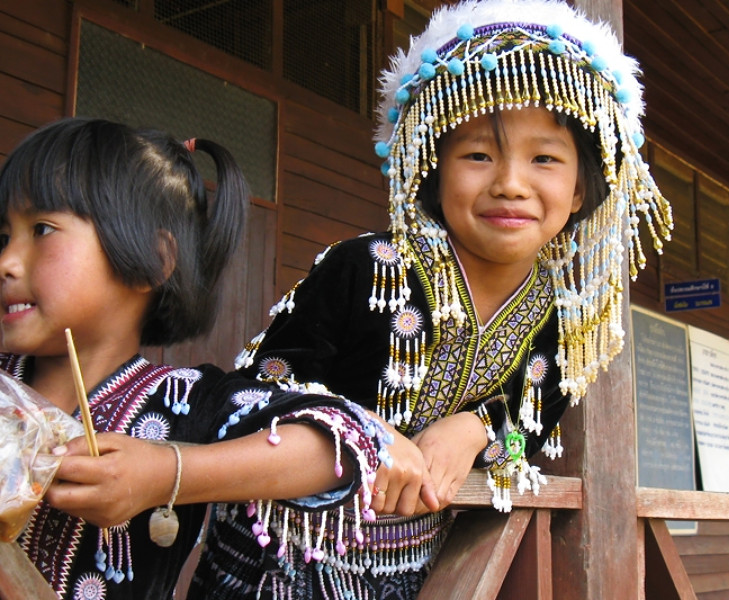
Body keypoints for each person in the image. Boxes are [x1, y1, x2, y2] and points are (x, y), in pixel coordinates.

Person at [190, 0, 673, 598]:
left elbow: (533, 427)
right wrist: (358, 429)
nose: (511, 183)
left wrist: (477, 429)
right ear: (432, 169)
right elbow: (254, 392)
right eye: (478, 155)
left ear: (580, 192)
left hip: (426, 574)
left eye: (544, 159)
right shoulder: (362, 267)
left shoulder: (560, 319)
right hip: (278, 562)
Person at [0, 117, 407, 600]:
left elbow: (346, 444)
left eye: (42, 229)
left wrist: (163, 475)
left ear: (154, 260)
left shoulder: (192, 400)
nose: (7, 260)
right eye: (5, 235)